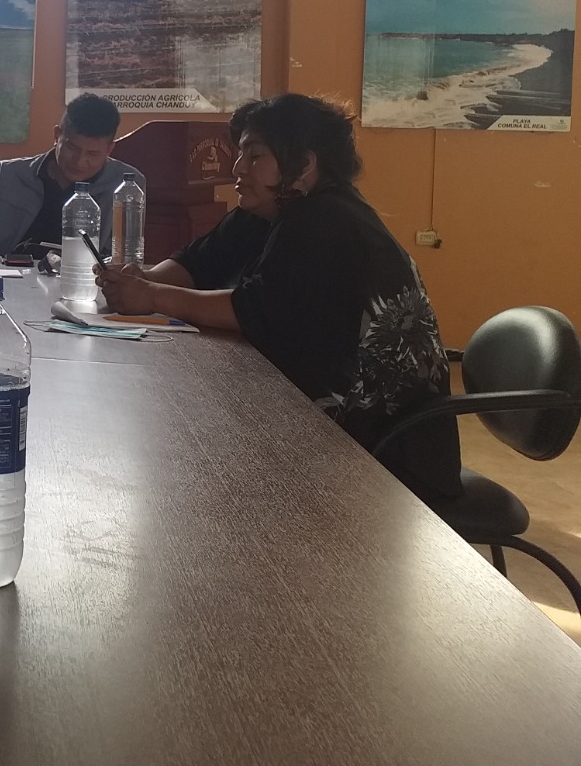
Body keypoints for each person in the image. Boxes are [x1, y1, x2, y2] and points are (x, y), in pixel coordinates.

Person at [96, 93, 461, 501]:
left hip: (386, 455)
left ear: (303, 165)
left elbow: (256, 310)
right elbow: (197, 263)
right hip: (326, 424)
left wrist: (151, 296)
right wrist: (138, 280)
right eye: (240, 154)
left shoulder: (325, 220)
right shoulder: (268, 209)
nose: (237, 168)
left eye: (255, 157)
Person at [0, 92, 142, 258]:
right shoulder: (7, 175)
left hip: (84, 274)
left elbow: (124, 258)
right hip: (7, 272)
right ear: (57, 135)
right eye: (72, 148)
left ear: (109, 149)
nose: (79, 162)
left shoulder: (126, 185)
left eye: (93, 154)